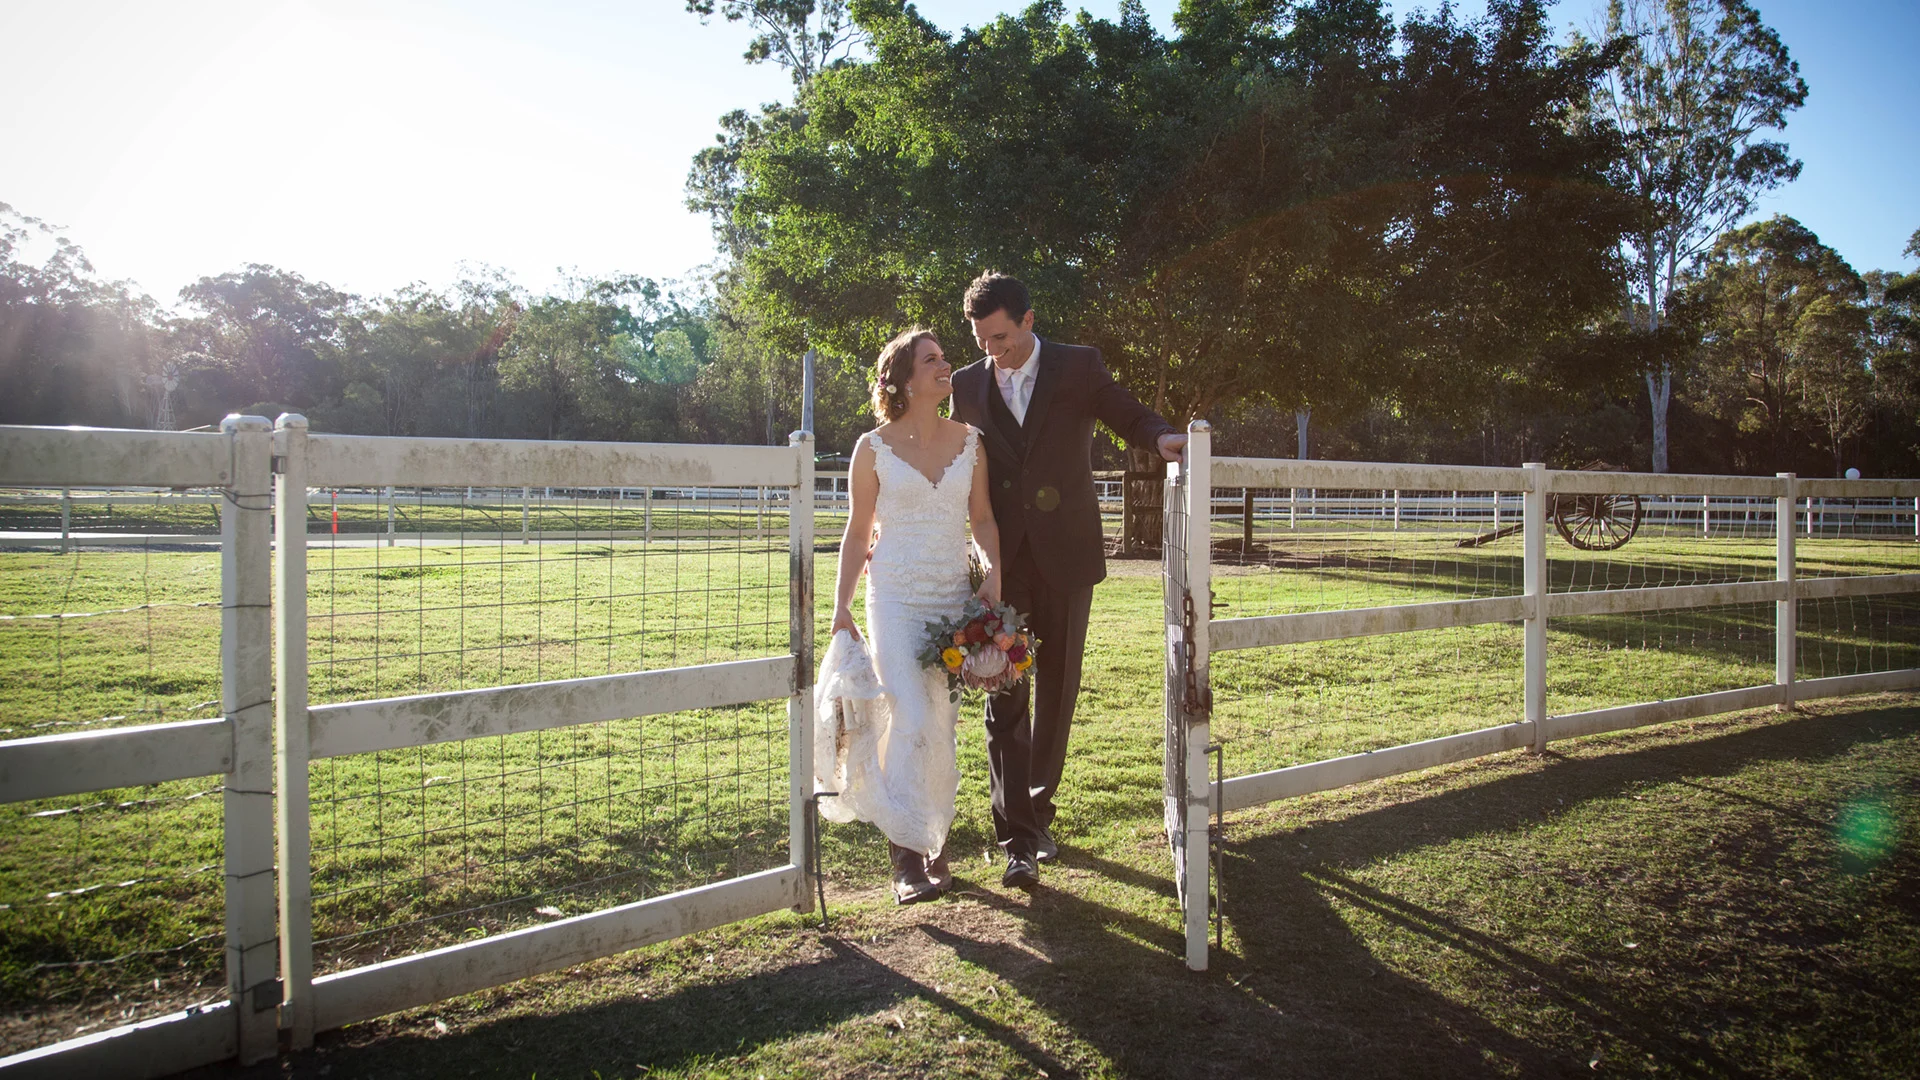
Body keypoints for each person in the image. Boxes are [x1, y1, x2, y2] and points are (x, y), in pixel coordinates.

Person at [950, 271, 1185, 889]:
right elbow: (952, 461)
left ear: (1028, 320)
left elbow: (1121, 410)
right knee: (1003, 688)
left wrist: (1159, 436)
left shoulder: (1079, 367)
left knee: (1058, 688)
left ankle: (1038, 806)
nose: (990, 352)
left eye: (999, 336)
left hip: (1068, 554)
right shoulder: (967, 385)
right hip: (1002, 560)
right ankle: (1018, 840)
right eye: (979, 339)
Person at [824, 327, 1005, 904]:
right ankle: (905, 859)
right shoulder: (870, 448)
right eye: (931, 360)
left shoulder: (971, 442)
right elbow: (857, 532)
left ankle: (935, 841)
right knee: (905, 712)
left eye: (944, 357)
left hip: (951, 600)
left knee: (940, 723)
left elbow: (982, 520)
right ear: (904, 379)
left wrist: (993, 572)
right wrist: (840, 603)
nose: (945, 365)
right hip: (895, 598)